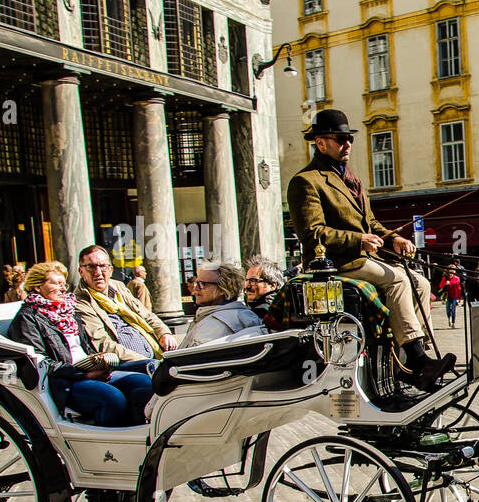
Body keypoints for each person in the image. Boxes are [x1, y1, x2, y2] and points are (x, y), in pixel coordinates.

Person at [286, 108, 453, 391]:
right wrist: (358, 240)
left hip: (364, 258)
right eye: (340, 139)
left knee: (421, 283)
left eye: (349, 138)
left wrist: (392, 240)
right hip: (337, 262)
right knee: (398, 279)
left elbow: (371, 222)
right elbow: (312, 232)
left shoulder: (351, 179)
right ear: (320, 142)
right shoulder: (307, 181)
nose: (347, 144)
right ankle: (418, 360)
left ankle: (409, 358)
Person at [7, 262, 153, 426]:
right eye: (56, 283)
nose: (63, 289)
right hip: (64, 381)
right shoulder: (28, 318)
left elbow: (87, 348)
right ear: (37, 287)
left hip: (91, 370)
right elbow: (40, 363)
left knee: (146, 383)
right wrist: (82, 375)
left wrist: (100, 365)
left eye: (64, 284)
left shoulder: (68, 311)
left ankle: (136, 435)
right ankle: (104, 446)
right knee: (112, 398)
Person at [74, 245, 178, 361]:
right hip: (127, 364)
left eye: (103, 266)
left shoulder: (119, 288)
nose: (98, 272)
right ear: (81, 271)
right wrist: (145, 361)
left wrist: (164, 333)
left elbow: (147, 315)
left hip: (156, 354)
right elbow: (103, 344)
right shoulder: (80, 302)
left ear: (110, 270)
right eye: (91, 267)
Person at [179, 260, 267, 349]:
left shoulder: (214, 324)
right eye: (196, 283)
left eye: (202, 284)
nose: (196, 288)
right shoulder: (244, 313)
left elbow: (196, 359)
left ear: (223, 289)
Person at [436, 262, 463, 327]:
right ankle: (449, 320)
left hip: (455, 295)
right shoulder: (445, 278)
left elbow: (459, 288)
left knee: (453, 310)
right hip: (447, 296)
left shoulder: (457, 278)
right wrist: (445, 283)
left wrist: (459, 297)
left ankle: (453, 323)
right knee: (448, 309)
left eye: (453, 270)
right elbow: (440, 286)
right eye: (450, 270)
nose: (452, 272)